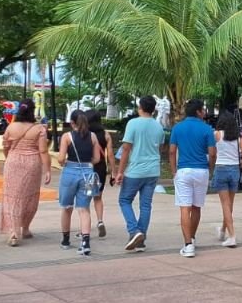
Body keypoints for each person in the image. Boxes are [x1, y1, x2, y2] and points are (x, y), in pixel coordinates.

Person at [0, 99, 51, 247]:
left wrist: (9, 158)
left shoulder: (11, 127)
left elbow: (5, 147)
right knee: (29, 197)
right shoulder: (39, 129)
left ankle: (13, 232)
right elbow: (43, 151)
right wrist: (47, 170)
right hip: (32, 164)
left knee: (12, 197)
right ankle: (25, 228)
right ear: (32, 111)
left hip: (13, 161)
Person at [115, 97, 164, 252]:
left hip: (135, 170)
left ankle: (134, 231)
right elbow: (160, 148)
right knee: (145, 205)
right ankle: (140, 238)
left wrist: (120, 171)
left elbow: (126, 149)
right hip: (153, 170)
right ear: (154, 109)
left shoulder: (133, 124)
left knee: (124, 200)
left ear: (140, 107)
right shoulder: (158, 126)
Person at [169, 98, 215, 258]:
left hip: (184, 170)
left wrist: (174, 170)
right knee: (196, 207)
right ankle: (192, 238)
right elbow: (212, 153)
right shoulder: (207, 129)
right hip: (201, 170)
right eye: (203, 110)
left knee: (184, 207)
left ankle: (188, 244)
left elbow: (172, 151)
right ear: (198, 112)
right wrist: (210, 169)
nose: (204, 112)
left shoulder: (177, 128)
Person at [57, 110, 103, 255]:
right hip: (88, 174)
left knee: (67, 207)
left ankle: (65, 240)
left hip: (69, 172)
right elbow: (96, 159)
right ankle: (85, 242)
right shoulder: (93, 136)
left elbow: (60, 158)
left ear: (72, 123)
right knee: (84, 209)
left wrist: (65, 162)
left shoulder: (67, 136)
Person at [212, 110, 242, 248]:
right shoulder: (239, 136)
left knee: (225, 204)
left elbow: (212, 153)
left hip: (221, 168)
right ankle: (222, 230)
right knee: (229, 204)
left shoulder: (216, 135)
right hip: (234, 169)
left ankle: (232, 236)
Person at [87, 110, 116, 239]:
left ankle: (85, 228)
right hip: (101, 168)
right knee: (98, 197)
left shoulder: (85, 134)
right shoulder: (106, 134)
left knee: (85, 199)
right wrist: (113, 172)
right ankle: (100, 221)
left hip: (88, 168)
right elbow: (110, 154)